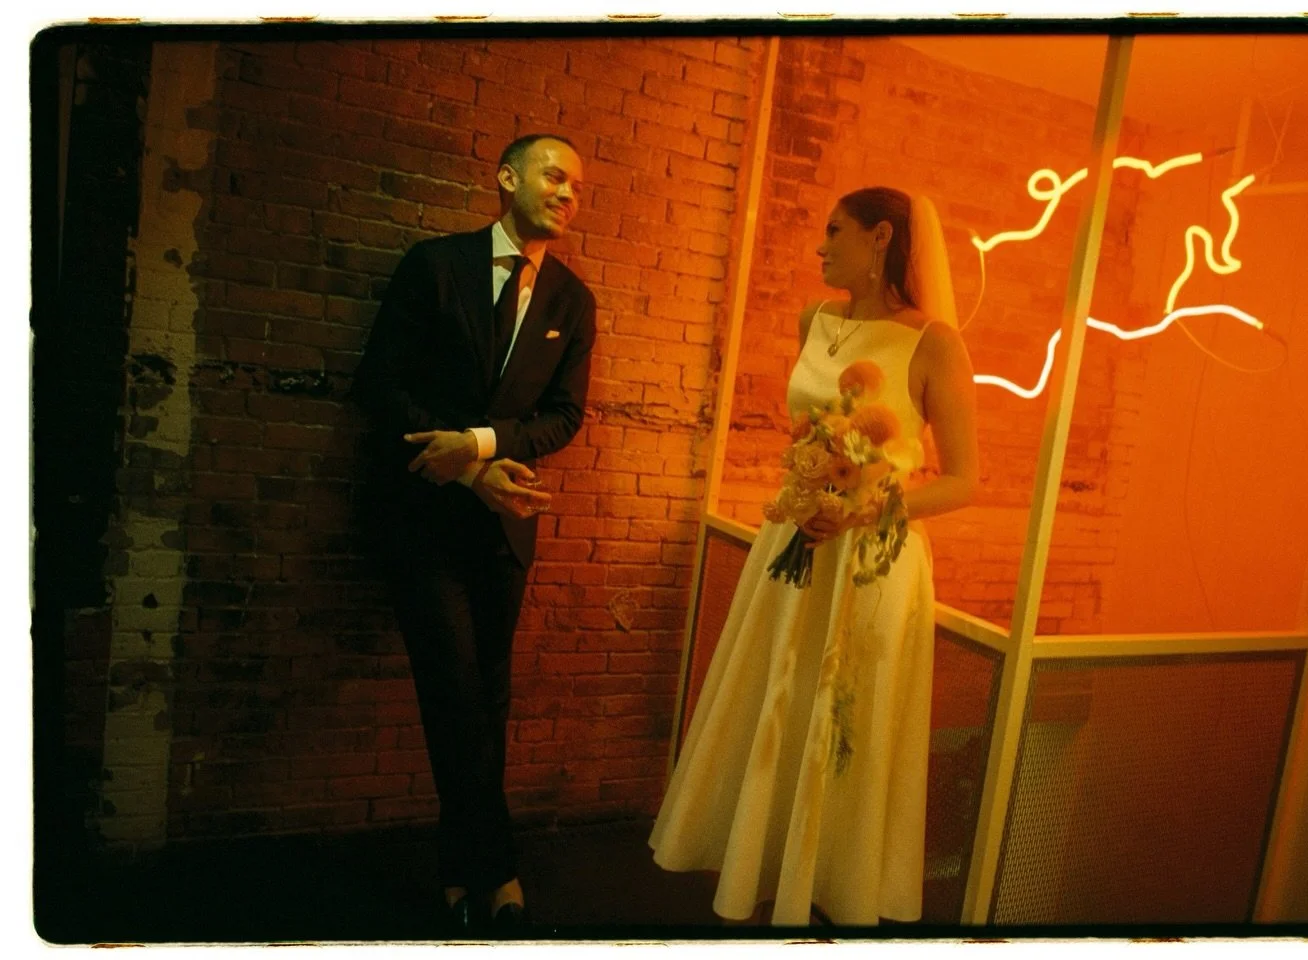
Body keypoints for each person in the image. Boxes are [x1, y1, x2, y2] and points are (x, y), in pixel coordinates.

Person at [648, 187, 980, 925]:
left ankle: (834, 892)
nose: (820, 246)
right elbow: (804, 427)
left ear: (881, 237)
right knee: (781, 702)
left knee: (846, 722)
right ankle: (764, 871)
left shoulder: (934, 342)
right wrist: (809, 478)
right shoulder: (814, 320)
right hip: (795, 540)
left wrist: (865, 507)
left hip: (872, 556)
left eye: (835, 231)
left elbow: (964, 479)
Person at [351, 133, 595, 934]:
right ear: (506, 177)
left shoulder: (572, 300)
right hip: (422, 521)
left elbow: (564, 416)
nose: (568, 193)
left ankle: (463, 868)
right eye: (554, 176)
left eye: (577, 186)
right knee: (455, 691)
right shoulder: (434, 265)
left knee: (488, 695)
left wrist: (482, 448)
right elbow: (378, 386)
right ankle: (497, 868)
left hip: (504, 531)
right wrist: (463, 472)